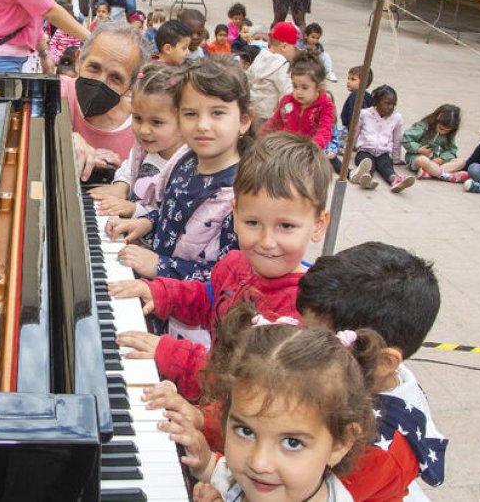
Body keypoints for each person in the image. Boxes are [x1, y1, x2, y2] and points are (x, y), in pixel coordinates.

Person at [109, 131, 332, 401]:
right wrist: (160, 293)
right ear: (236, 215)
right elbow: (209, 301)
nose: (266, 241)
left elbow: (241, 383)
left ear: (318, 224)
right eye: (253, 223)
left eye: (286, 226)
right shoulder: (236, 264)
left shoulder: (302, 311)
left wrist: (169, 353)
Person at [297, 242, 448, 501]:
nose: (301, 347)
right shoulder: (369, 372)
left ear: (385, 361)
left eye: (323, 342)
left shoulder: (380, 449)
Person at [189, 313, 380, 502]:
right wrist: (206, 465)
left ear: (340, 444)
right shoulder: (257, 481)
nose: (259, 463)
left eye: (292, 443)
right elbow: (230, 478)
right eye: (245, 431)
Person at [104, 56, 251, 287]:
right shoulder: (183, 159)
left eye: (217, 113)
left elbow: (230, 280)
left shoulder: (242, 193)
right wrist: (146, 222)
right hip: (158, 297)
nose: (202, 125)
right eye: (191, 113)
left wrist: (160, 265)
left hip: (191, 319)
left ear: (244, 120)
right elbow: (168, 210)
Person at [90, 64, 186, 219]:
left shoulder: (185, 168)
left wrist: (134, 209)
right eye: (138, 118)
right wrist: (121, 186)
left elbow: (171, 217)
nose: (144, 130)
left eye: (156, 122)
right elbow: (130, 168)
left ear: (184, 121)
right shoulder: (144, 147)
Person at [62, 21, 153, 179]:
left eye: (116, 78)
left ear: (131, 86)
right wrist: (64, 138)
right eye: (94, 68)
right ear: (78, 61)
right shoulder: (56, 93)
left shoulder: (142, 132)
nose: (100, 82)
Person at [261, 51, 335, 150]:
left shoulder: (325, 105)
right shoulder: (286, 101)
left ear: (319, 86)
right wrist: (260, 138)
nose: (298, 92)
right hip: (285, 150)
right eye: (295, 86)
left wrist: (313, 145)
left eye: (304, 88)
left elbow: (325, 130)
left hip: (309, 153)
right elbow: (274, 123)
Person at [347, 85, 413, 193]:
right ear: (377, 102)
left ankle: (395, 180)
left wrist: (396, 158)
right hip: (365, 150)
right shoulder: (365, 114)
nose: (391, 107)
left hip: (383, 152)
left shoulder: (397, 118)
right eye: (387, 103)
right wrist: (348, 150)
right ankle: (366, 178)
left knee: (386, 165)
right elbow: (355, 133)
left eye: (393, 104)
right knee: (367, 163)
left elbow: (397, 140)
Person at [246, 21, 298, 133]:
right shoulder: (282, 65)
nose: (295, 52)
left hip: (252, 111)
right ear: (284, 46)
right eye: (294, 48)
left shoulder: (261, 56)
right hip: (269, 117)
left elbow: (248, 80)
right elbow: (287, 92)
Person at [403, 104, 466, 182]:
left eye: (447, 130)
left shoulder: (450, 135)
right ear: (436, 119)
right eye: (441, 128)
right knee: (423, 160)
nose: (443, 132)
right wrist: (418, 149)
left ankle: (429, 174)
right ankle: (448, 176)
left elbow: (452, 151)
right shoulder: (423, 126)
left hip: (437, 162)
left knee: (462, 162)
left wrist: (442, 159)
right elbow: (406, 138)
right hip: (419, 158)